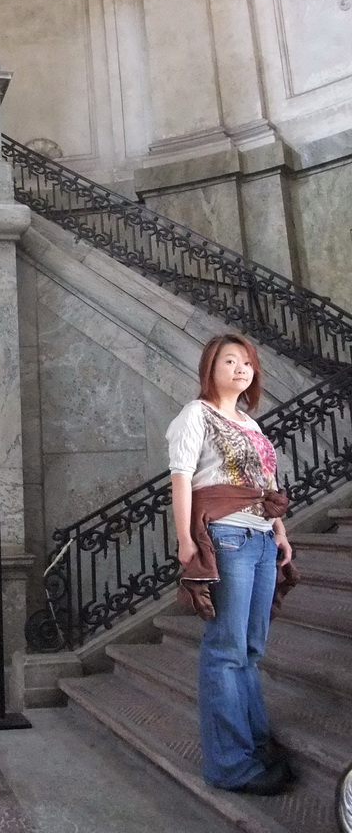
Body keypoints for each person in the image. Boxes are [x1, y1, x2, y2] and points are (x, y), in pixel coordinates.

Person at [166, 334, 295, 796]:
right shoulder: (195, 415)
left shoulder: (250, 423)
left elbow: (267, 483)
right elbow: (181, 481)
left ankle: (255, 744)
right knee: (225, 650)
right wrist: (185, 541)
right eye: (230, 360)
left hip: (260, 538)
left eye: (248, 362)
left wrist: (280, 534)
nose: (241, 368)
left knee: (251, 649)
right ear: (211, 366)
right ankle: (230, 764)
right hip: (226, 538)